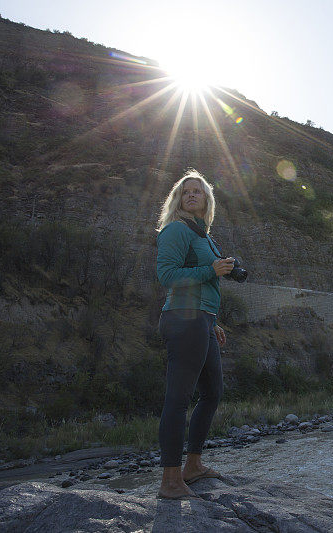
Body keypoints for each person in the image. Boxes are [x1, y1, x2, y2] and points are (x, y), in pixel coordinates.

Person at [154, 168, 236, 500]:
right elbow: (167, 275)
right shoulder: (175, 229)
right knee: (178, 399)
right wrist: (210, 270)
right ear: (178, 199)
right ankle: (170, 481)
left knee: (213, 392)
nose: (191, 194)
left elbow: (204, 286)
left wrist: (212, 321)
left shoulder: (204, 236)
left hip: (201, 320)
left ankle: (193, 466)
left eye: (197, 191)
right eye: (185, 191)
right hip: (182, 321)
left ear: (206, 200)